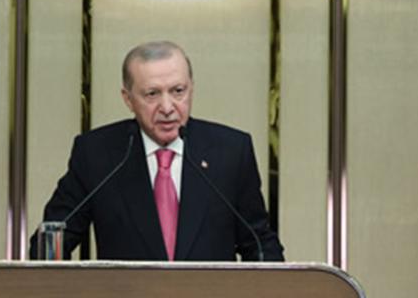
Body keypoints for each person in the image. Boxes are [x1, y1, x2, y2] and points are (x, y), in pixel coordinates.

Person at [31, 41, 284, 261]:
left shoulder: (230, 151)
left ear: (191, 88)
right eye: (152, 94)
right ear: (128, 99)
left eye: (178, 91)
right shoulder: (97, 154)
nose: (167, 107)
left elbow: (260, 244)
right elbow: (50, 243)